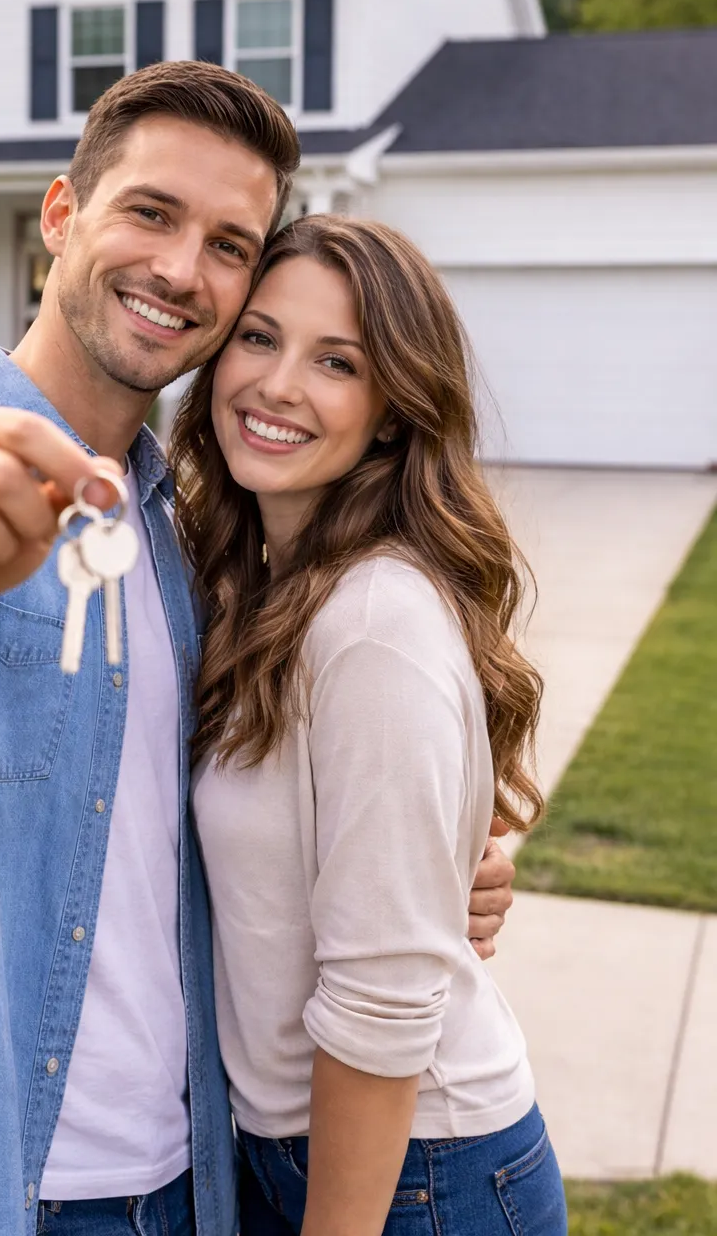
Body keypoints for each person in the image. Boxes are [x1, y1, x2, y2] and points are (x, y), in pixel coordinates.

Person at [0, 64, 516, 1236]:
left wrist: (449, 853)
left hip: (179, 1191)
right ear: (60, 214)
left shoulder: (194, 539)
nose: (182, 269)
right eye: (150, 212)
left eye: (228, 243)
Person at [174, 216, 568, 1235]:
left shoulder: (372, 622)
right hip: (301, 1152)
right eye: (257, 338)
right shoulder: (260, 587)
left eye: (336, 362)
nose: (276, 384)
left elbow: (383, 1006)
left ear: (393, 411)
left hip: (409, 1172)